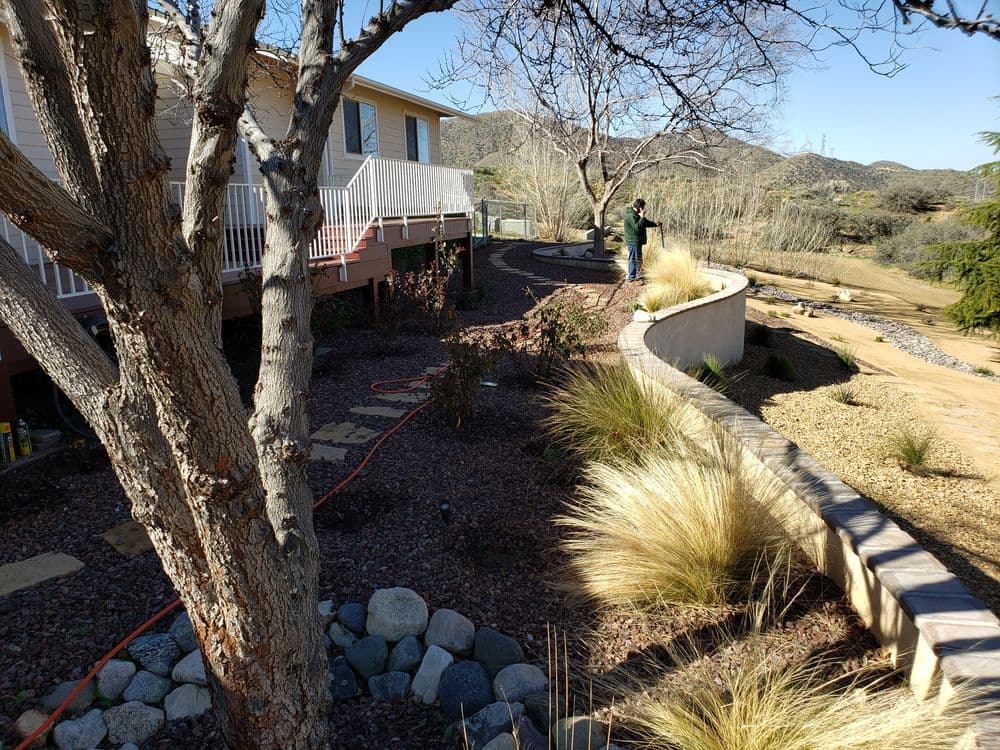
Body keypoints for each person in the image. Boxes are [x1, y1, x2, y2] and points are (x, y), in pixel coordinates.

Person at [623, 198, 661, 284]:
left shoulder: (635, 214)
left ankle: (638, 276)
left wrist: (655, 224)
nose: (644, 209)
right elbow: (638, 228)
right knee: (633, 260)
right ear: (639, 208)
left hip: (637, 242)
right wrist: (642, 216)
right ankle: (632, 279)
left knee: (638, 259)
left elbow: (644, 223)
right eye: (643, 207)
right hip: (633, 242)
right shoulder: (630, 216)